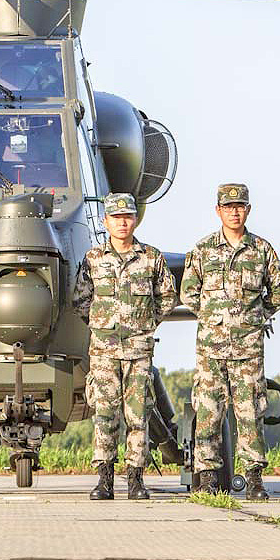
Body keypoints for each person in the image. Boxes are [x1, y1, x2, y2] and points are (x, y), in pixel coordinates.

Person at [180, 183, 280, 499]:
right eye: (228, 207)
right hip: (211, 349)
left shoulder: (262, 250)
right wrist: (214, 316)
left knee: (250, 412)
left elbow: (279, 292)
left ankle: (254, 479)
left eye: (240, 206)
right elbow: (188, 291)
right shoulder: (202, 250)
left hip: (248, 349)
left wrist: (254, 315)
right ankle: (209, 479)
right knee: (208, 413)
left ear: (248, 210)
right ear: (218, 211)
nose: (234, 211)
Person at [72, 193, 178, 500]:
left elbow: (167, 297)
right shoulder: (93, 260)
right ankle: (104, 480)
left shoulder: (151, 258)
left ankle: (136, 480)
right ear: (106, 222)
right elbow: (80, 300)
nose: (122, 222)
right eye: (116, 217)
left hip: (138, 352)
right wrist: (102, 326)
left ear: (135, 220)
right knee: (105, 415)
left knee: (138, 415)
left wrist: (145, 323)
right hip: (104, 352)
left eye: (128, 217)